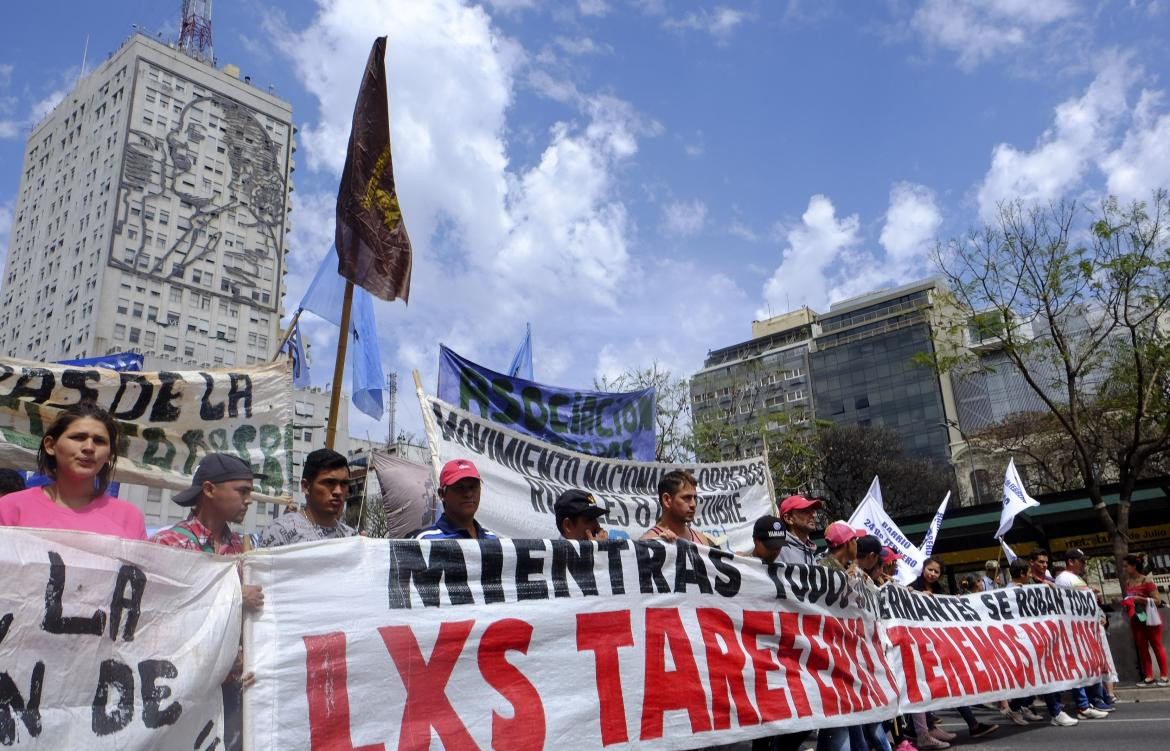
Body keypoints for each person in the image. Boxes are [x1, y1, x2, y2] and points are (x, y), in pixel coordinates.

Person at [151, 452, 265, 751]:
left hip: (235, 688)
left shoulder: (245, 550)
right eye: (242, 490)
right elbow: (161, 613)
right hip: (184, 689)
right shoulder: (169, 544)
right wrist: (236, 596)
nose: (249, 499)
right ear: (210, 490)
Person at [0, 402, 146, 540]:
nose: (89, 447)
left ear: (109, 455)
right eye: (78, 437)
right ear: (50, 445)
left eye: (99, 441)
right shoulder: (10, 508)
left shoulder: (130, 517)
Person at [910, 557, 999, 743]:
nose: (932, 574)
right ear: (923, 568)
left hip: (939, 646)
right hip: (919, 648)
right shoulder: (910, 588)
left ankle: (965, 725)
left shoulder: (940, 592)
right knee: (927, 689)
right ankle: (927, 730)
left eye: (936, 572)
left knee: (952, 684)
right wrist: (913, 595)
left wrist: (954, 603)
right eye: (930, 570)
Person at [1052, 548, 1113, 718]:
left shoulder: (1076, 578)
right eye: (1082, 561)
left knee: (1093, 664)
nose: (1084, 564)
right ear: (1071, 561)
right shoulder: (1063, 578)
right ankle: (1088, 702)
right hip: (1076, 633)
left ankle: (1096, 698)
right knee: (1082, 667)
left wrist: (1100, 615)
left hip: (1088, 631)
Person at [257, 448, 356, 547]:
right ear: (306, 486)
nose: (338, 491)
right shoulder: (278, 532)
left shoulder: (352, 538)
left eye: (344, 483)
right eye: (329, 482)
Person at [411, 459, 496, 540]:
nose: (468, 494)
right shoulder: (425, 541)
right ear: (442, 494)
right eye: (460, 488)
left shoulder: (492, 539)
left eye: (473, 487)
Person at [1122, 554, 1168, 687]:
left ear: (1134, 566)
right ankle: (1149, 677)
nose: (1124, 569)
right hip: (1136, 619)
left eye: (1126, 566)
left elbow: (1158, 601)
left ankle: (1164, 676)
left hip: (1151, 619)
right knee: (1142, 647)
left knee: (1156, 646)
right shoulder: (1128, 583)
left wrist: (1140, 599)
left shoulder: (1146, 581)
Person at [641, 469, 716, 546]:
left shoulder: (702, 541)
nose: (693, 504)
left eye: (695, 498)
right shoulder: (647, 543)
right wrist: (659, 548)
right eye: (687, 497)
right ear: (667, 500)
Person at [776, 494, 822, 566]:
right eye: (805, 511)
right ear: (788, 518)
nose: (813, 515)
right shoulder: (778, 551)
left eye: (812, 511)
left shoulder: (809, 551)